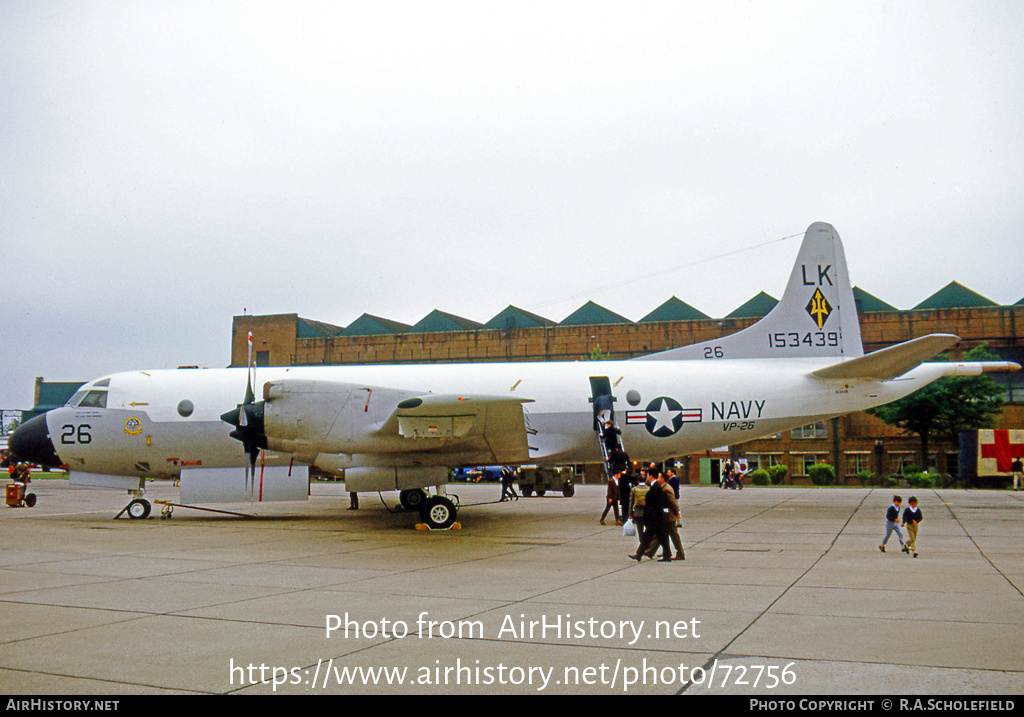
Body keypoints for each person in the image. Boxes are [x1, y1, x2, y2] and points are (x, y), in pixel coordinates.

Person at [629, 471, 672, 562]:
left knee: (653, 536)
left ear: (651, 476)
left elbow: (655, 502)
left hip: (654, 517)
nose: (647, 477)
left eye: (648, 475)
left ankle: (639, 554)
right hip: (655, 516)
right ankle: (640, 554)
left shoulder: (656, 487)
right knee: (656, 536)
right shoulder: (655, 486)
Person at [645, 472, 684, 561]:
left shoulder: (667, 488)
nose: (657, 479)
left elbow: (672, 502)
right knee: (661, 535)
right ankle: (650, 551)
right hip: (665, 516)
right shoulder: (663, 487)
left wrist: (677, 513)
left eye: (658, 477)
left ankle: (680, 554)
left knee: (674, 536)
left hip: (669, 517)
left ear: (663, 479)